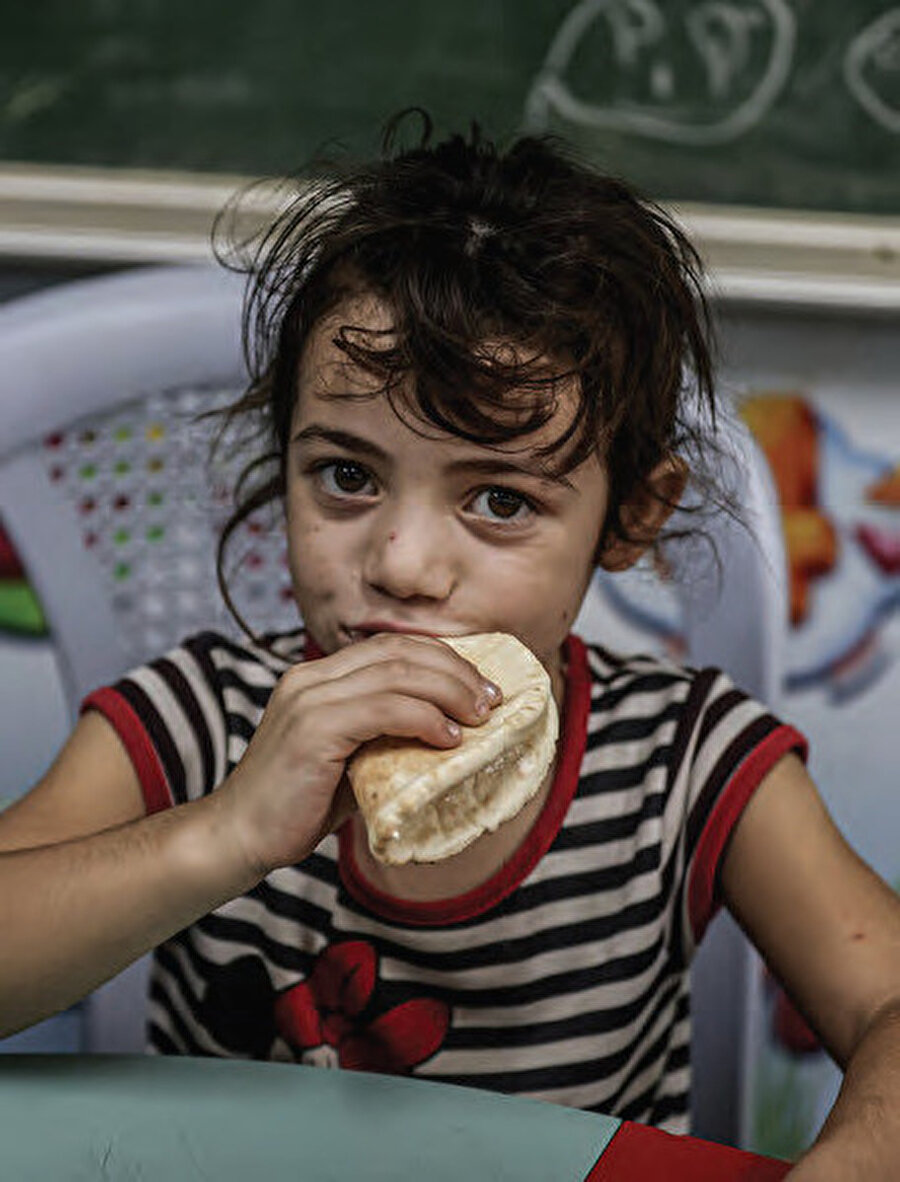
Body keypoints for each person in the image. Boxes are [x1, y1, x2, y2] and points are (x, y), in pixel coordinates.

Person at [1, 114, 899, 1179]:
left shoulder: (690, 761)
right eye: (345, 475)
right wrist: (224, 834)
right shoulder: (191, 722)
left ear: (630, 518)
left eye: (498, 499)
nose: (404, 563)